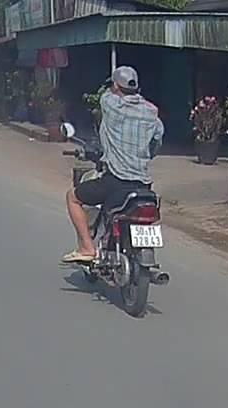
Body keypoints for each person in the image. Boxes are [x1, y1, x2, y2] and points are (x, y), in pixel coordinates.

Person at [63, 66, 165, 264]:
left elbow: (109, 94)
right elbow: (155, 145)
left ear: (116, 86)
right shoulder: (152, 114)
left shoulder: (109, 103)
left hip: (116, 181)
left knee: (73, 197)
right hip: (143, 185)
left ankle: (87, 247)